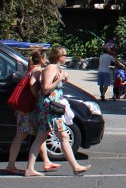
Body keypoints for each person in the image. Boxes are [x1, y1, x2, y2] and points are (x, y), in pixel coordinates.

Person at [24, 46, 91, 177]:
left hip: (52, 107)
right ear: (59, 57)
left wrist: (63, 79)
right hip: (51, 108)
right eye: (64, 55)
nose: (66, 57)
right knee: (63, 136)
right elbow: (46, 88)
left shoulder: (56, 69)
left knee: (42, 137)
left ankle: (30, 168)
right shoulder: (50, 68)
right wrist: (59, 79)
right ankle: (75, 167)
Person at [4, 50, 59, 174]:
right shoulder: (37, 70)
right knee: (20, 136)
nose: (46, 60)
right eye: (45, 57)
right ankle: (11, 165)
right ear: (41, 59)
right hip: (28, 109)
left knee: (39, 134)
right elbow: (32, 83)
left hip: (24, 109)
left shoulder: (30, 68)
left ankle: (46, 161)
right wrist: (37, 97)